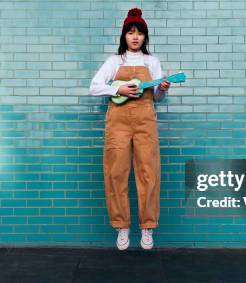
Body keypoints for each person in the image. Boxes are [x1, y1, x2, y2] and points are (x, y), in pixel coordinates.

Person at [89, 7, 170, 250]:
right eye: (131, 32)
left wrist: (162, 89)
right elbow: (94, 87)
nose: (135, 37)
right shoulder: (114, 62)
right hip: (118, 124)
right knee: (116, 173)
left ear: (145, 37)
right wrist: (118, 89)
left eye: (140, 33)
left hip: (145, 123)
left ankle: (147, 227)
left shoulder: (151, 62)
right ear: (124, 36)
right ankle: (122, 226)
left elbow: (157, 98)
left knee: (148, 173)